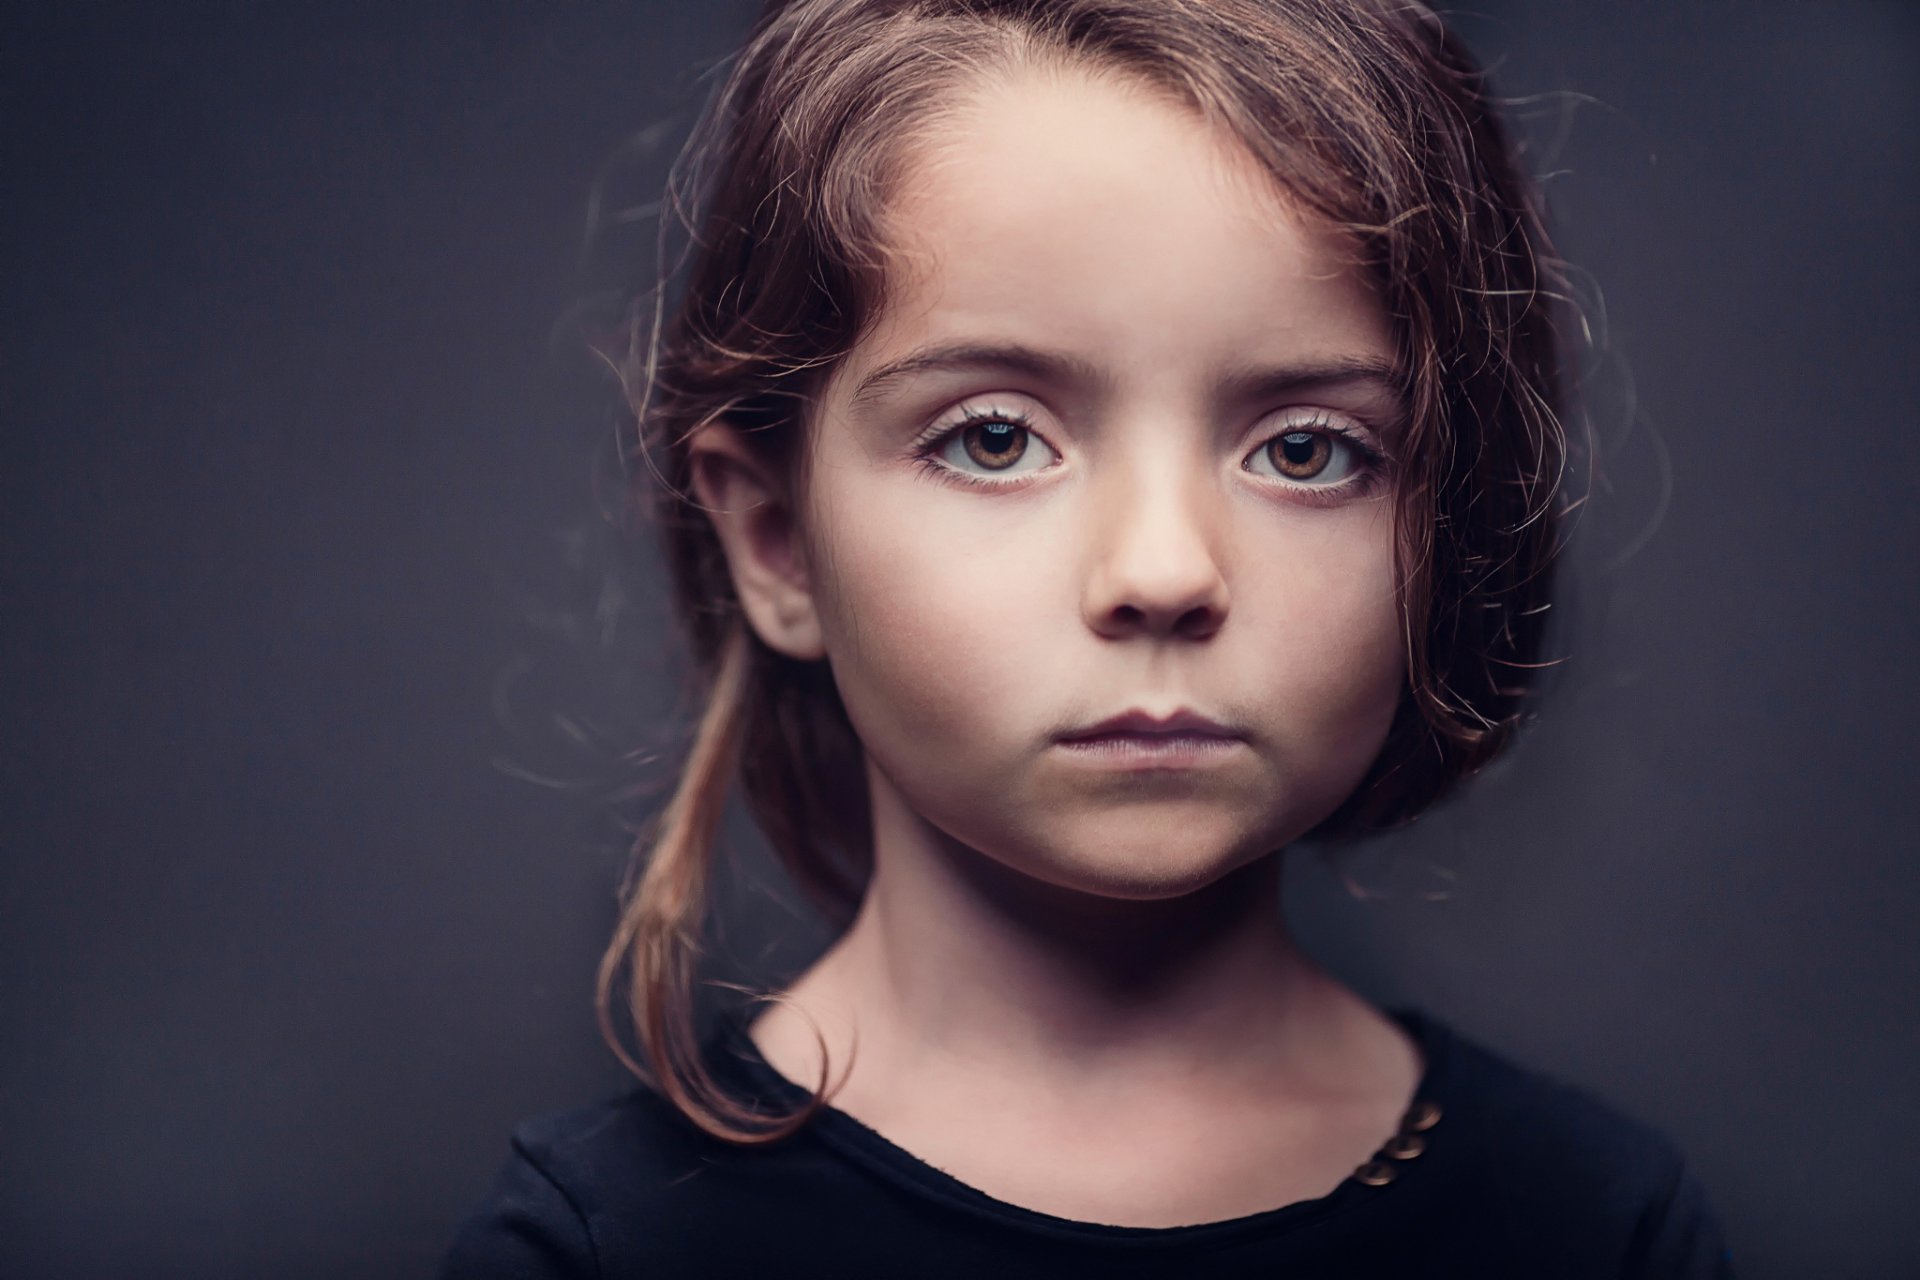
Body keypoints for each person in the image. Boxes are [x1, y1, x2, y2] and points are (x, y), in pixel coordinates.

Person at [440, 0, 1733, 1275]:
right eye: (995, 438)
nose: (1163, 572)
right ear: (778, 543)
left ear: (1445, 534)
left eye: (1305, 450)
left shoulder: (1594, 1226)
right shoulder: (604, 1250)